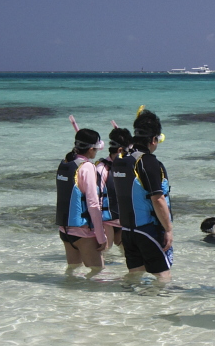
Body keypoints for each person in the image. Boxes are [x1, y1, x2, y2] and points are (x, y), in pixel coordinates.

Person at [111, 109, 174, 289]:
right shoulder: (148, 162)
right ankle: (161, 310)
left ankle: (131, 310)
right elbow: (158, 199)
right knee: (163, 276)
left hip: (128, 230)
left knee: (135, 274)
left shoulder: (121, 160)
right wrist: (168, 229)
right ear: (154, 139)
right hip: (148, 230)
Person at [55, 128, 109, 278]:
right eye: (96, 149)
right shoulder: (87, 168)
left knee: (72, 270)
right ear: (91, 149)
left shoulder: (65, 163)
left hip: (65, 230)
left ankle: (68, 298)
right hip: (83, 232)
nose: (97, 152)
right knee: (98, 271)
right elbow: (93, 205)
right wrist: (101, 237)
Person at [96, 127, 132, 256]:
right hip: (106, 220)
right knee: (105, 248)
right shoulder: (102, 169)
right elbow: (96, 197)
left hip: (123, 219)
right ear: (120, 150)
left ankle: (129, 275)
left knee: (127, 250)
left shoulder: (129, 166)